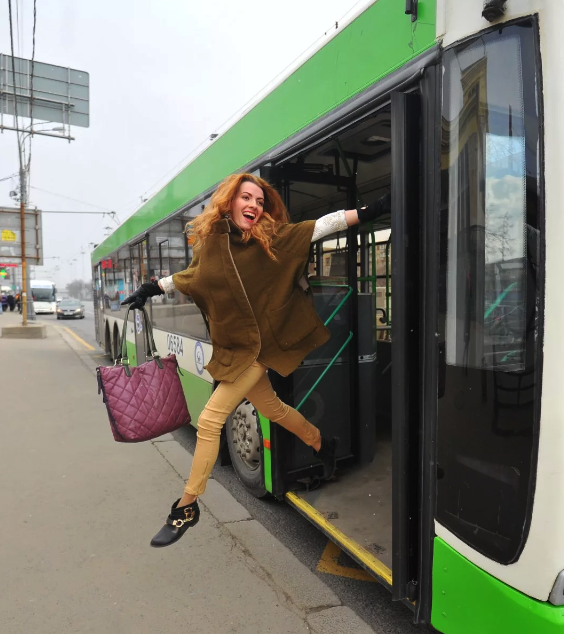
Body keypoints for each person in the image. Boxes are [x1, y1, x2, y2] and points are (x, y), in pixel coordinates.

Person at [123, 172, 391, 548]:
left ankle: (186, 506)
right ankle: (320, 443)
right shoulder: (212, 245)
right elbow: (193, 276)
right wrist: (153, 288)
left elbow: (321, 226)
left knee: (211, 420)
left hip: (260, 347)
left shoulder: (272, 240)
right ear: (229, 202)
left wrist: (370, 210)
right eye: (246, 198)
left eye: (260, 201)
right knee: (274, 410)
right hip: (234, 346)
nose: (253, 205)